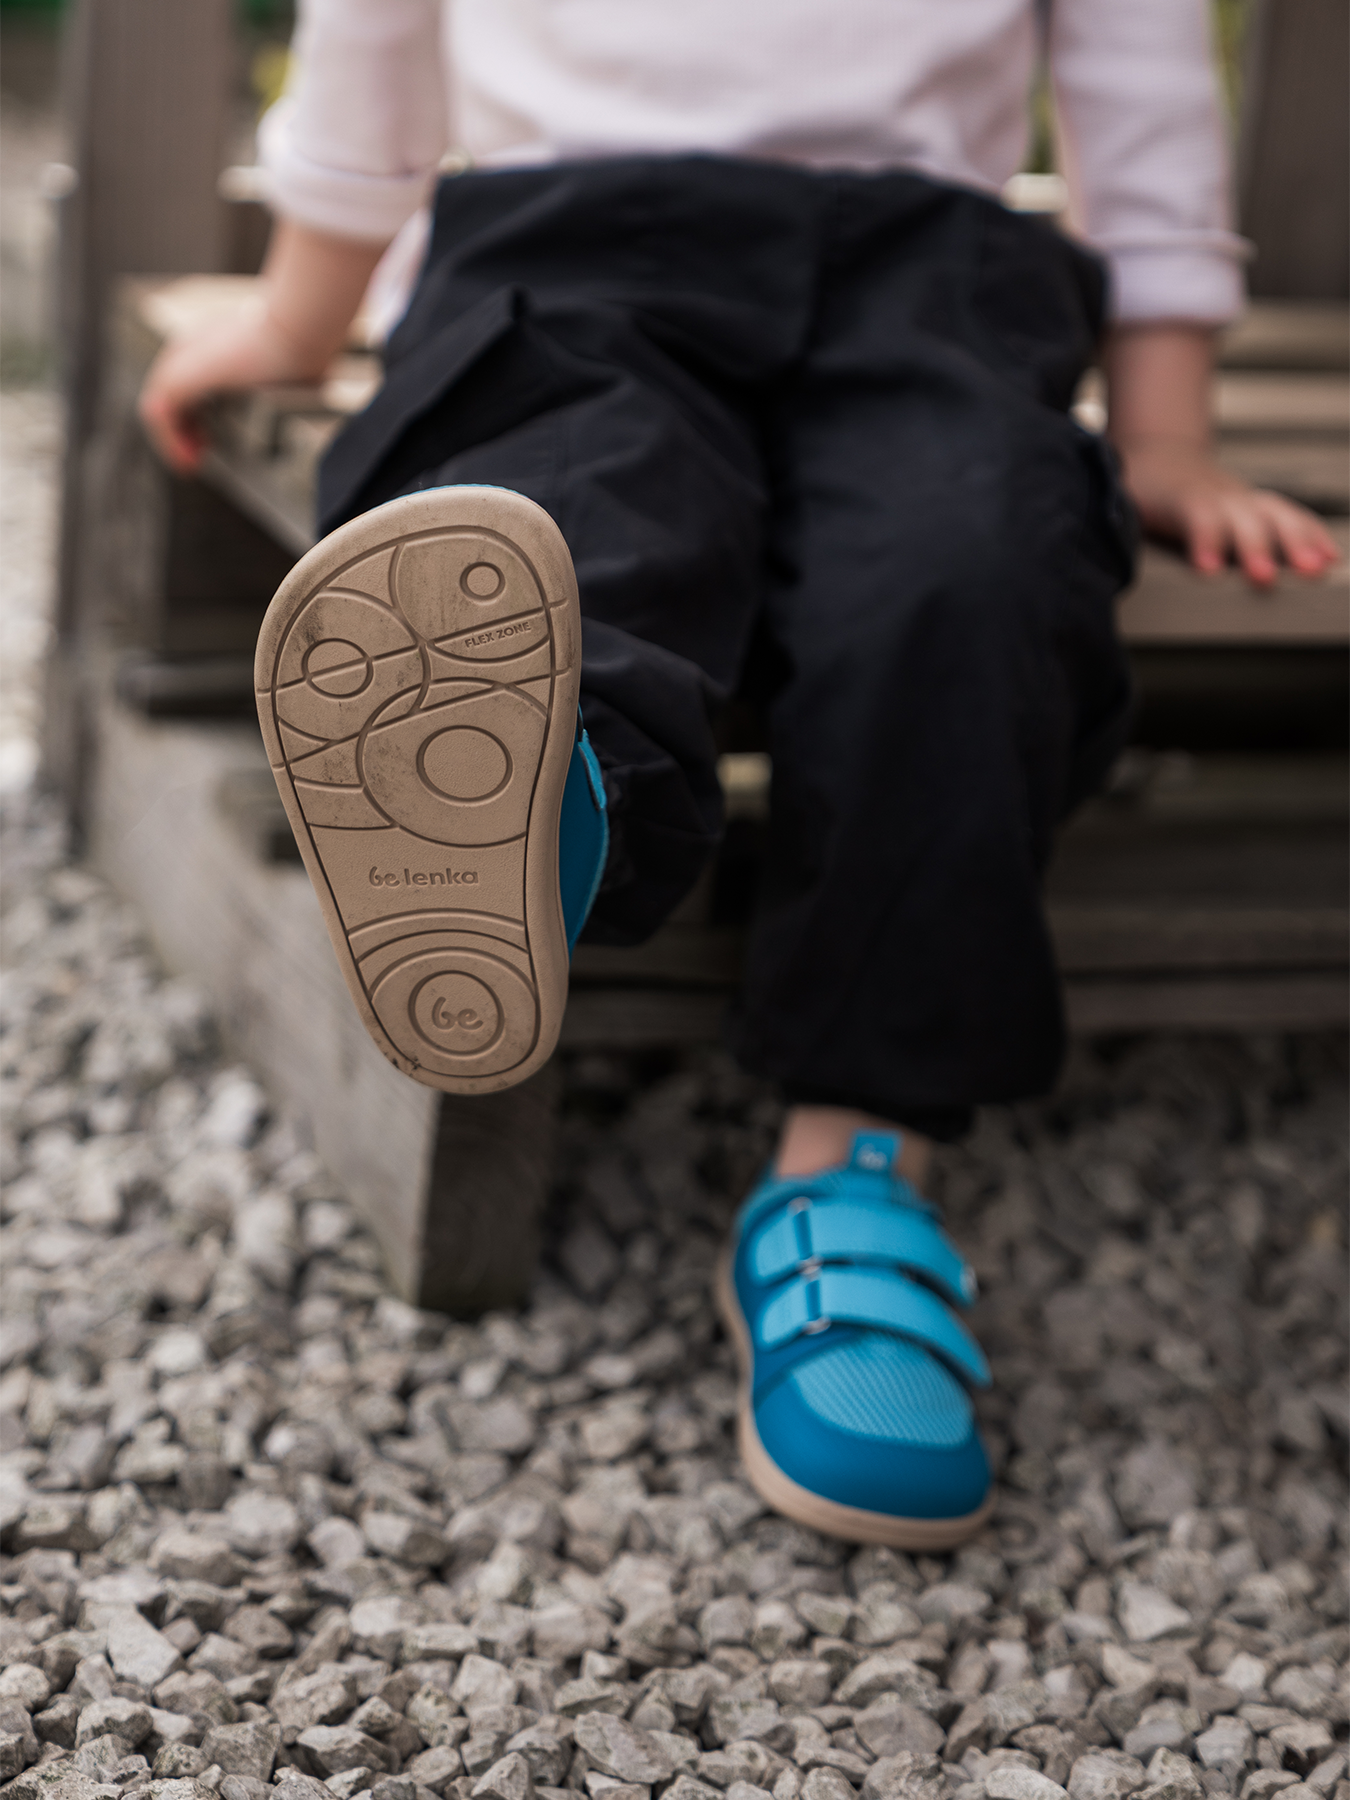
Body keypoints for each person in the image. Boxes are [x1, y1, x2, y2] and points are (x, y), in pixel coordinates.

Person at [139, 0, 1339, 1550]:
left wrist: (1163, 434)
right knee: (558, 521)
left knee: (969, 577)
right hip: (573, 239)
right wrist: (300, 320)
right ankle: (546, 804)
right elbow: (380, 25)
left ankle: (857, 1161)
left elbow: (1138, 68)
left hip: (931, 276)